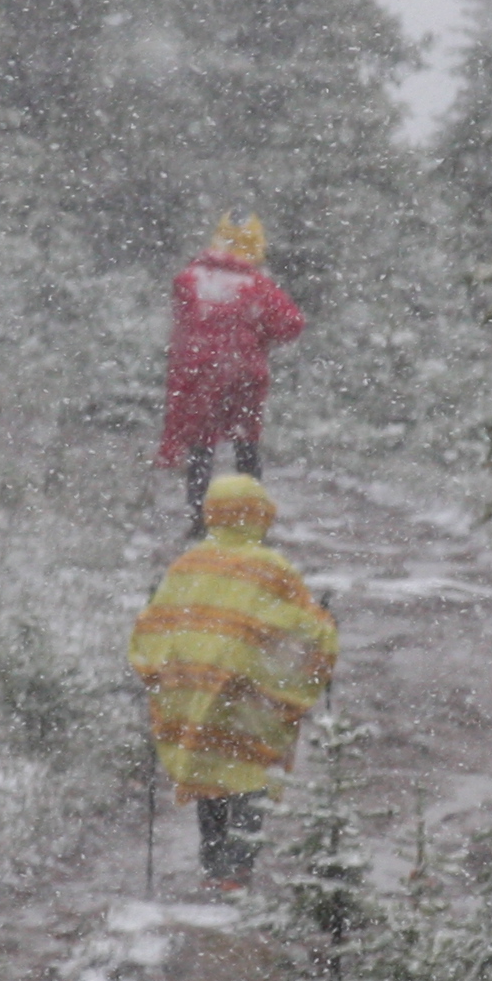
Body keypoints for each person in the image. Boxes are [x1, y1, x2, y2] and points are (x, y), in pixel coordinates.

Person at [125, 474, 337, 890]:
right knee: (249, 772)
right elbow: (305, 629)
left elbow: (154, 625)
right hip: (249, 697)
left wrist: (167, 673)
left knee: (208, 769)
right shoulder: (272, 569)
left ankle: (212, 860)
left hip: (195, 692)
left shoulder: (188, 566)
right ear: (260, 515)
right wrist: (325, 627)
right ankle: (238, 867)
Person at [156, 215, 305, 537]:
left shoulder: (189, 279)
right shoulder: (257, 286)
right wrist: (260, 337)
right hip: (243, 376)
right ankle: (251, 517)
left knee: (200, 447)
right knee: (245, 446)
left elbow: (183, 321)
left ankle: (198, 518)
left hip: (197, 375)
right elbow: (291, 323)